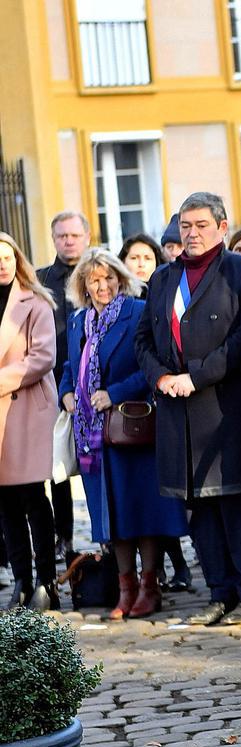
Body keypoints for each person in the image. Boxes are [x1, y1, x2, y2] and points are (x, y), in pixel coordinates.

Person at [135, 191, 241, 626]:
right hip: (177, 411)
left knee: (237, 505)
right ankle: (219, 590)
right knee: (199, 509)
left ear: (222, 226)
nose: (191, 235)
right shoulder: (161, 278)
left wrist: (197, 376)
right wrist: (160, 377)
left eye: (200, 226)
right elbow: (143, 339)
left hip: (226, 407)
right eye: (185, 227)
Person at [61, 250, 188, 619]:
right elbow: (70, 364)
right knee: (110, 517)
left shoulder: (136, 312)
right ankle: (124, 587)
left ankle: (150, 588)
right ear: (83, 285)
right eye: (94, 280)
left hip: (130, 431)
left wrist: (114, 393)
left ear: (120, 278)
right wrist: (67, 392)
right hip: (92, 439)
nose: (103, 286)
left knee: (141, 512)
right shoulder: (78, 321)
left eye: (109, 278)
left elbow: (153, 365)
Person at [116, 233, 193, 593]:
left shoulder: (166, 289)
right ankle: (151, 572)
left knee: (165, 495)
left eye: (148, 257)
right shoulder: (121, 304)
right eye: (134, 258)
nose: (141, 264)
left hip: (163, 399)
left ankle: (178, 565)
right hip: (133, 409)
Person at [0, 232, 59, 609]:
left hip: (25, 409)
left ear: (17, 259)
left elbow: (44, 357)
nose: (1, 263)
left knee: (33, 497)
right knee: (4, 501)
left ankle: (47, 580)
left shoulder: (34, 302)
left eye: (6, 256)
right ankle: (21, 578)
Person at [37, 211, 90, 560]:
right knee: (57, 468)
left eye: (73, 235)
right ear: (54, 239)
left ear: (86, 236)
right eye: (61, 236)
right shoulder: (40, 281)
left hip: (96, 383)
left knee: (97, 464)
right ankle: (63, 538)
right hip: (54, 385)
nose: (68, 241)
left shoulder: (101, 273)